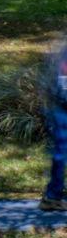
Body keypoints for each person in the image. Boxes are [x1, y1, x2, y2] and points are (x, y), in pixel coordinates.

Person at [45, 39, 67, 213]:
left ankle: (52, 196)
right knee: (60, 153)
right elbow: (64, 86)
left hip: (60, 107)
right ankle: (52, 197)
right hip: (62, 109)